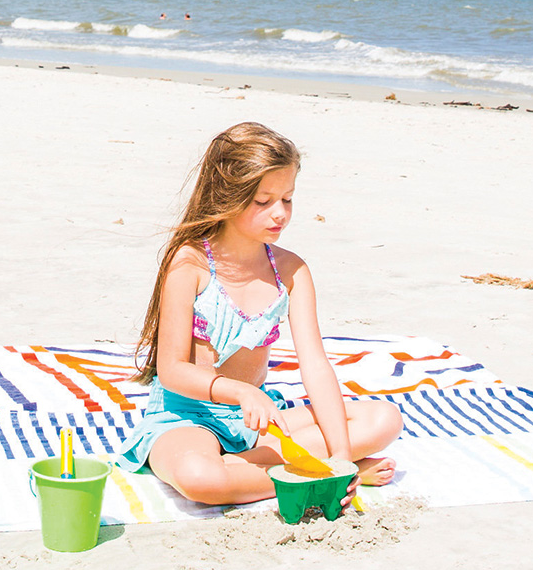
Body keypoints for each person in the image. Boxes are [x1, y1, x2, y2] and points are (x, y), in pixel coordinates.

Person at [112, 121, 400, 505]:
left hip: (255, 422)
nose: (279, 213)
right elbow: (172, 370)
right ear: (225, 196)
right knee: (201, 479)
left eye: (288, 199)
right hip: (187, 418)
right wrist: (241, 391)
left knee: (384, 420)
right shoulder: (190, 264)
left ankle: (306, 471)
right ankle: (298, 472)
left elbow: (315, 366)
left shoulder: (292, 271)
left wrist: (343, 461)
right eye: (263, 202)